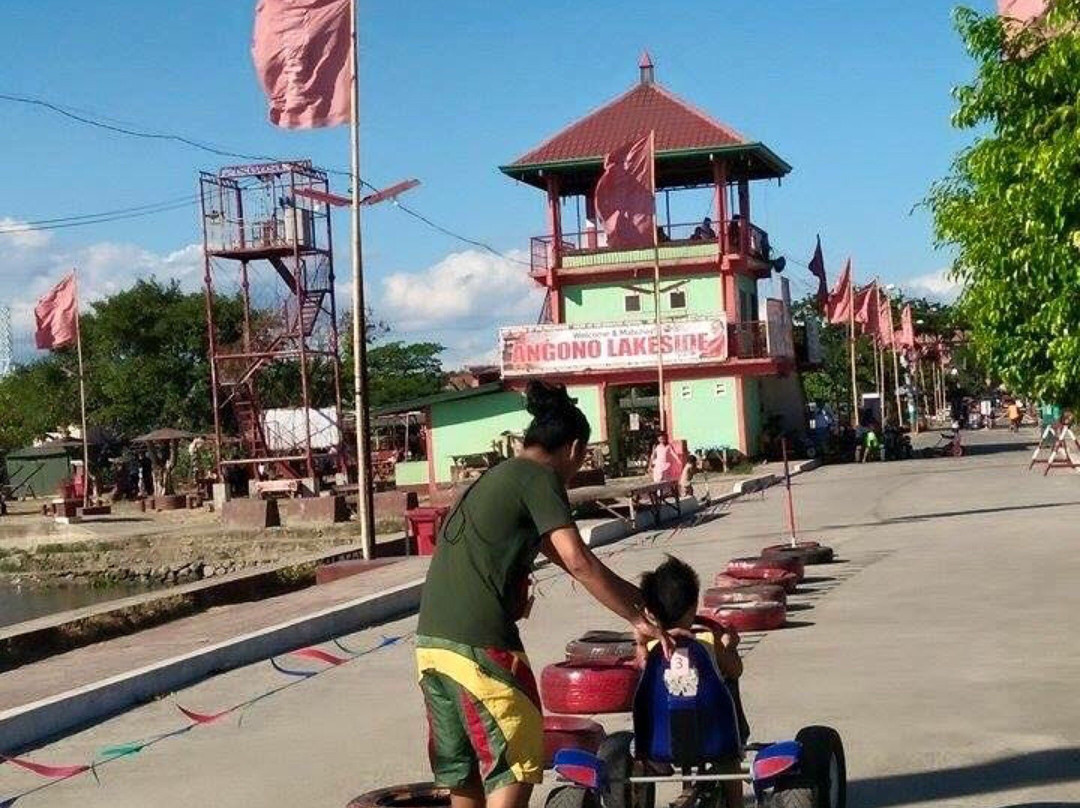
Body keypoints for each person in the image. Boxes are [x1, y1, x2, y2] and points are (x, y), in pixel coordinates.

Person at [415, 381, 673, 808]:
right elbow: (578, 561)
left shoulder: (496, 477)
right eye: (583, 457)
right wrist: (636, 619)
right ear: (574, 448)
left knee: (462, 769)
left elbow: (561, 556)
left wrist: (639, 604)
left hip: (431, 646)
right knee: (515, 756)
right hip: (480, 647)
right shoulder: (539, 477)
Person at [636, 556, 748, 808]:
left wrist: (641, 641)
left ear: (651, 612)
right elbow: (736, 670)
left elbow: (641, 665)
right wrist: (731, 646)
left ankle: (639, 786)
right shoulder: (708, 638)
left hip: (658, 739)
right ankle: (736, 803)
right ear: (692, 608)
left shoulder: (652, 647)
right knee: (729, 760)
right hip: (715, 735)